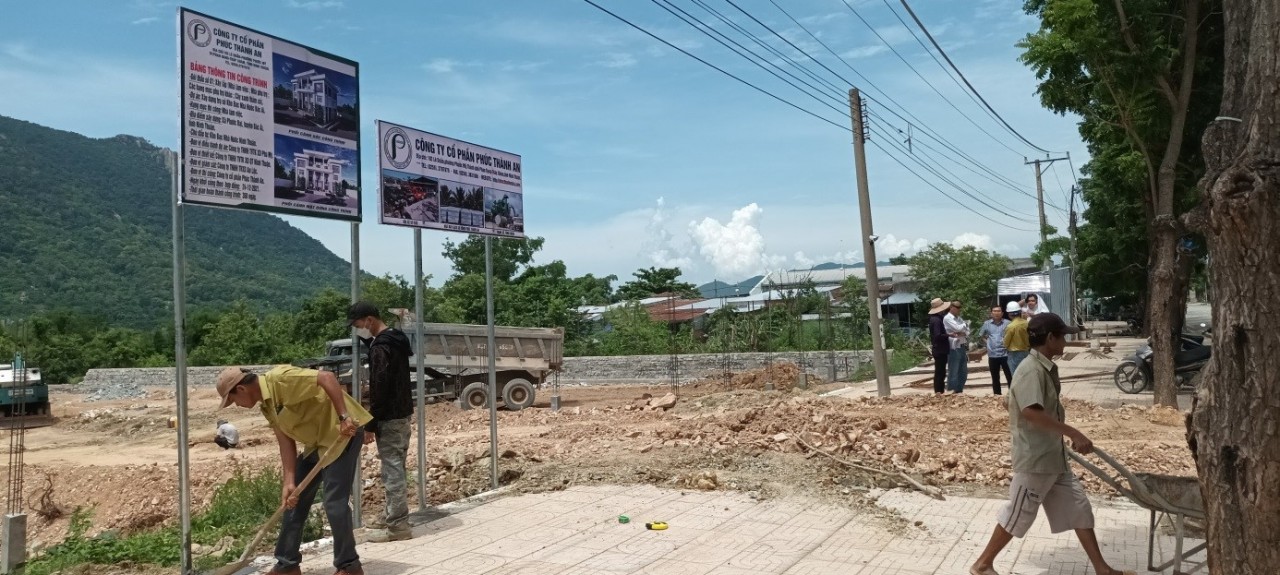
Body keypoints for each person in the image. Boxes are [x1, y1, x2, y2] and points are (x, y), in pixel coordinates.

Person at [969, 313, 1134, 575]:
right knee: (1018, 513)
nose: (1066, 340)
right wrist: (1073, 432)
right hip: (1036, 459)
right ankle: (982, 565)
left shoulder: (1042, 368)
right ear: (1049, 338)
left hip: (1052, 457)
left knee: (1079, 507)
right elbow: (1031, 412)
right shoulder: (1030, 370)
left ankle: (1103, 569)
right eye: (1062, 336)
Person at [217, 365, 372, 575]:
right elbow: (285, 442)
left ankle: (350, 566)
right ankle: (287, 564)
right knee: (293, 499)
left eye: (234, 400)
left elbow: (326, 378)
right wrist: (289, 481)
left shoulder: (281, 379)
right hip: (318, 443)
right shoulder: (267, 406)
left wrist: (344, 417)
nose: (237, 405)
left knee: (334, 502)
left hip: (342, 434)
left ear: (242, 389)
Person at [347, 301, 415, 542]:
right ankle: (392, 515)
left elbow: (379, 388)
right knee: (397, 466)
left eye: (357, 325)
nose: (357, 330)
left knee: (392, 470)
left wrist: (371, 424)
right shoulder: (395, 339)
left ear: (369, 320)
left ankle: (397, 526)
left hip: (389, 417)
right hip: (403, 414)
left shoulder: (380, 349)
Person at [978, 306, 1011, 395]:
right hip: (993, 355)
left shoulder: (1008, 323)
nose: (996, 313)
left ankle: (1012, 395)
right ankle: (997, 396)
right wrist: (987, 343)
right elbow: (980, 336)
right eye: (994, 311)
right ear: (991, 313)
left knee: (1010, 376)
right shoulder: (987, 324)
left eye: (998, 311)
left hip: (1006, 354)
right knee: (995, 377)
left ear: (1002, 313)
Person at [944, 300, 971, 394]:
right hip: (954, 347)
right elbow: (958, 328)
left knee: (963, 370)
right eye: (956, 308)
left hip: (962, 345)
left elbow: (967, 331)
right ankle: (952, 390)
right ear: (951, 308)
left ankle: (959, 389)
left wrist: (962, 329)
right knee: (954, 369)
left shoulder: (958, 318)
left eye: (959, 308)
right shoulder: (948, 318)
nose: (958, 310)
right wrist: (964, 325)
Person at [927, 298, 951, 395]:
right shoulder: (936, 320)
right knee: (939, 372)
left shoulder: (936, 319)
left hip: (940, 349)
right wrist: (949, 335)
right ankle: (938, 391)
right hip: (939, 349)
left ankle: (940, 391)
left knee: (941, 372)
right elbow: (937, 335)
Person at [1003, 301, 1031, 375]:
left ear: (1009, 314)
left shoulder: (1011, 326)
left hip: (1015, 354)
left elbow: (1006, 343)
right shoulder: (1027, 323)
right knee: (1026, 375)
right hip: (1027, 352)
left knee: (1016, 376)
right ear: (1019, 312)